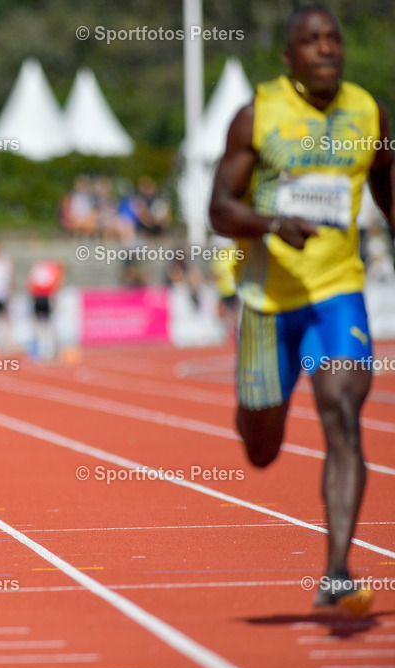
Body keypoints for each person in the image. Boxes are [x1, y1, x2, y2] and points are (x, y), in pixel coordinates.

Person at [209, 7, 392, 617]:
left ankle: (337, 572)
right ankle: (255, 408)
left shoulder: (370, 114)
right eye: (310, 42)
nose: (326, 49)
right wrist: (270, 224)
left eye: (334, 39)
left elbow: (388, 185)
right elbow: (219, 209)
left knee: (343, 412)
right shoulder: (256, 115)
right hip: (266, 300)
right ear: (288, 58)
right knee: (262, 446)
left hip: (338, 292)